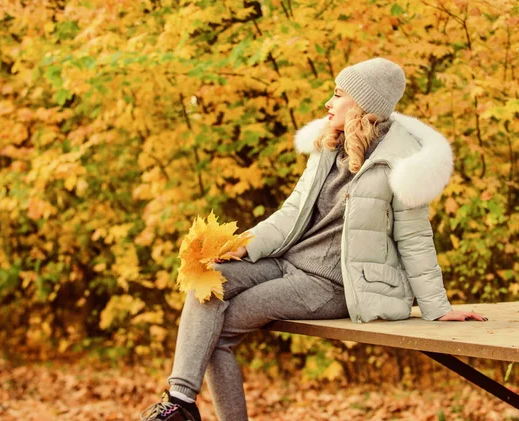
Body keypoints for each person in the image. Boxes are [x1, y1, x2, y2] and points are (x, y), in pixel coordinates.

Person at [139, 57, 487, 421]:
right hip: (290, 262)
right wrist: (247, 244)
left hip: (333, 284)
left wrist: (438, 307)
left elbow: (415, 239)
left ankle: (180, 409)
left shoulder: (403, 163)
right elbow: (292, 212)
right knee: (205, 283)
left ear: (362, 105)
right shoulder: (328, 147)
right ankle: (179, 402)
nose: (328, 103)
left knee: (215, 331)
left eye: (338, 95)